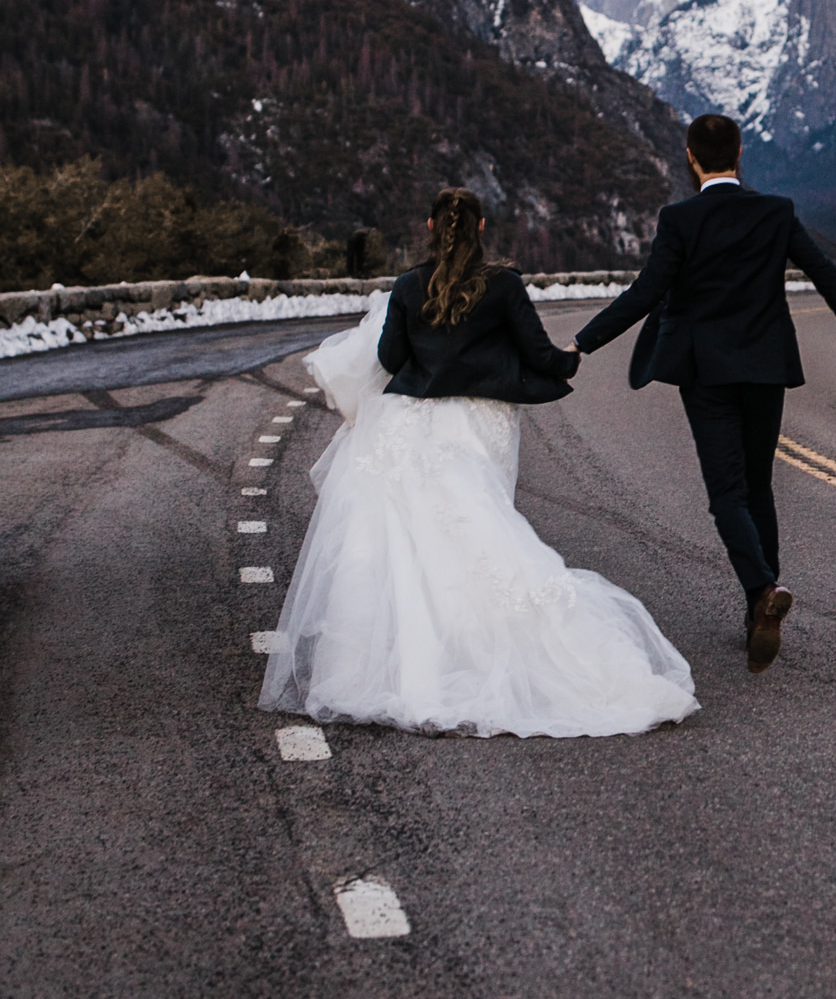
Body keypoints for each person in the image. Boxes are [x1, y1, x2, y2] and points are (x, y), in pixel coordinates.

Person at [259, 187, 698, 737]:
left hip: (407, 422)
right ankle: (478, 653)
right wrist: (572, 357)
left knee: (402, 544)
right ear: (481, 226)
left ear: (429, 226)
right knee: (481, 529)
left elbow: (391, 358)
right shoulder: (503, 284)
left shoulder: (407, 286)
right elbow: (539, 353)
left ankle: (397, 664)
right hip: (476, 421)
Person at [571, 114, 836, 673]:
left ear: (691, 158)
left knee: (726, 492)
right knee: (758, 483)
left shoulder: (679, 218)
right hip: (766, 365)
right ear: (739, 153)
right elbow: (824, 273)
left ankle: (763, 588)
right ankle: (757, 607)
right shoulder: (776, 211)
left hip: (706, 370)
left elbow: (646, 293)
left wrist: (582, 343)